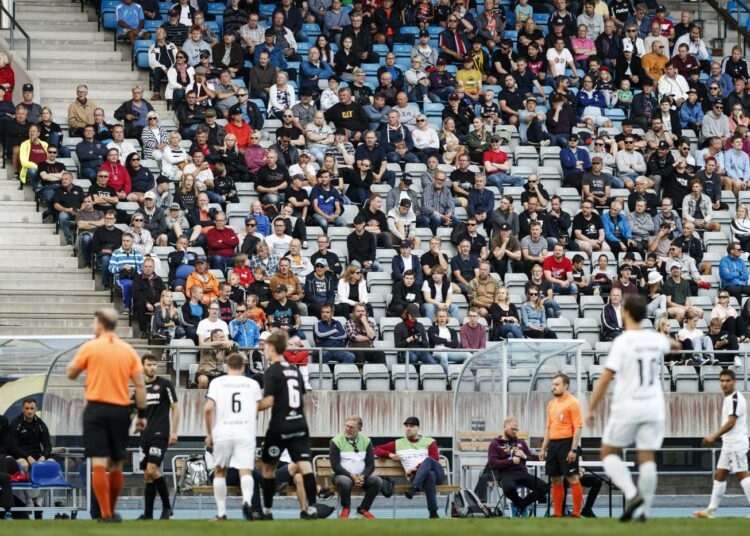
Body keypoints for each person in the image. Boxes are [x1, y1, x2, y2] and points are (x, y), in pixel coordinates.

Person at [587, 294, 674, 521]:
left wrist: (591, 409)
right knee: (647, 458)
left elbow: (605, 378)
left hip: (629, 405)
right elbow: (675, 346)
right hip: (654, 406)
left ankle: (632, 493)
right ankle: (643, 511)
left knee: (607, 453)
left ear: (625, 313)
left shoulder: (623, 341)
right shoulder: (654, 338)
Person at [66, 309, 147, 523]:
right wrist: (142, 415)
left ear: (100, 325)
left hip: (96, 409)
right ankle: (112, 511)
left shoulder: (90, 347)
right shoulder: (128, 350)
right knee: (118, 463)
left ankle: (105, 513)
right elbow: (140, 386)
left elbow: (71, 373)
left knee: (98, 463)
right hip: (121, 411)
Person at [258, 332, 319, 519]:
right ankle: (312, 509)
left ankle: (267, 511)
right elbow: (301, 395)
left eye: (265, 347)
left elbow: (268, 401)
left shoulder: (272, 371)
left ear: (271, 348)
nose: (264, 350)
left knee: (268, 468)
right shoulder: (294, 369)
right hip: (299, 423)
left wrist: (251, 407)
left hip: (280, 425)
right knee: (305, 466)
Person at [204, 352, 262, 521]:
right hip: (245, 431)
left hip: (223, 431)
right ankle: (247, 502)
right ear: (244, 366)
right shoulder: (252, 384)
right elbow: (256, 410)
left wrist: (209, 433)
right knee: (246, 471)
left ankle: (222, 512)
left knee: (220, 471)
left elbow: (208, 409)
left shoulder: (217, 382)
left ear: (227, 365)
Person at [694, 369, 750, 517]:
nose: (724, 384)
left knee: (742, 475)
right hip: (728, 443)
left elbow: (731, 422)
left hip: (736, 443)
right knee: (719, 474)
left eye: (728, 381)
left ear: (734, 382)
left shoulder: (735, 399)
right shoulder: (728, 398)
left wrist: (713, 436)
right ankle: (710, 511)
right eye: (722, 381)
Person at [473, 416, 547, 516]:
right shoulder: (495, 444)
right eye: (513, 429)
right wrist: (511, 461)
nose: (515, 431)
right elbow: (493, 464)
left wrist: (524, 456)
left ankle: (520, 505)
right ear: (505, 426)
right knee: (508, 488)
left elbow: (530, 460)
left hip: (522, 473)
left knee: (545, 487)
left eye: (517, 429)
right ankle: (520, 505)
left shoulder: (521, 442)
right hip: (506, 474)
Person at [374, 416, 444, 519]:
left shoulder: (429, 441)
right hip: (419, 477)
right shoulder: (399, 443)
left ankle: (414, 488)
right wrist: (390, 455)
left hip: (437, 474)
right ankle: (433, 513)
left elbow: (435, 458)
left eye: (411, 426)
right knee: (430, 475)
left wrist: (417, 468)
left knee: (429, 462)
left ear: (418, 428)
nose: (408, 428)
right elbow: (375, 449)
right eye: (406, 426)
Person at [136, 354, 179, 520]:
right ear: (143, 366)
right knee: (147, 474)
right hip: (145, 436)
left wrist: (174, 431)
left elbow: (175, 407)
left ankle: (167, 507)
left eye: (154, 365)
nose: (152, 367)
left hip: (160, 434)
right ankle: (148, 515)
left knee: (153, 469)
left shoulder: (165, 384)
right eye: (149, 365)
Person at [540, 373, 583, 518]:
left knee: (572, 478)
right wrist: (543, 448)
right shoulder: (551, 404)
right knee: (555, 479)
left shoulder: (573, 403)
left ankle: (576, 513)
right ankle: (557, 514)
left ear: (566, 385)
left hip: (567, 443)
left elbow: (578, 427)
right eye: (553, 384)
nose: (554, 387)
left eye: (557, 384)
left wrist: (573, 449)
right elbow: (548, 427)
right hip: (553, 444)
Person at [329, 416, 381, 519]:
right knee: (345, 482)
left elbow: (371, 465)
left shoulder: (366, 441)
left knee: (377, 481)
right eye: (346, 426)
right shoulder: (335, 441)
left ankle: (363, 509)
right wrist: (351, 476)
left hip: (361, 476)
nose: (347, 429)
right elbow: (335, 466)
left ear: (359, 429)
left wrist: (362, 476)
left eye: (351, 427)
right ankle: (346, 508)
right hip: (341, 475)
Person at [9, 398, 51, 472]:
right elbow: (13, 446)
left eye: (32, 408)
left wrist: (44, 456)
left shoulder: (41, 424)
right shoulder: (15, 424)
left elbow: (48, 445)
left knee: (51, 462)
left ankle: (46, 483)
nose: (29, 411)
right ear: (23, 409)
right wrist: (28, 457)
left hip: (37, 456)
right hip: (21, 456)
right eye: (27, 408)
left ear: (36, 409)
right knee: (24, 464)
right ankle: (25, 483)